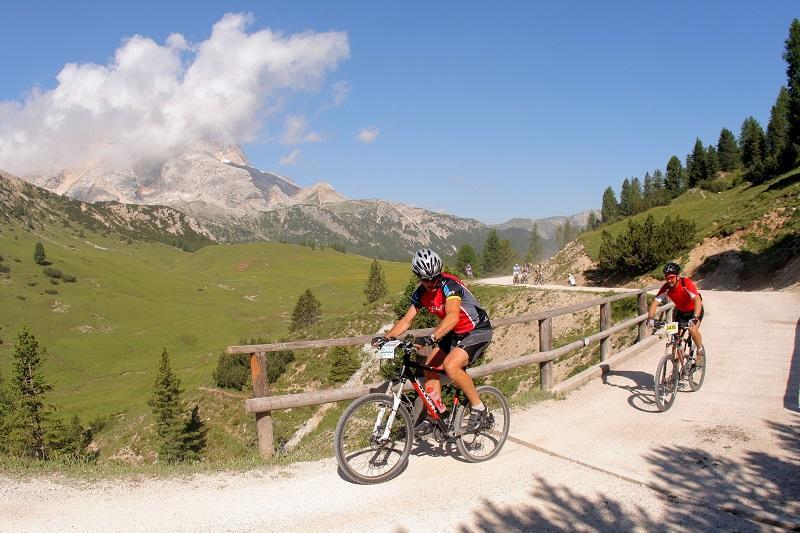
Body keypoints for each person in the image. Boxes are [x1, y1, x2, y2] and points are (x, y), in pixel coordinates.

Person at [373, 249, 493, 431]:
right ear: (418, 277)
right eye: (425, 279)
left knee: (451, 366)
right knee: (429, 368)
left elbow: (452, 316)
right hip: (455, 334)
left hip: (477, 330)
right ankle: (434, 416)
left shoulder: (449, 285)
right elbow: (407, 320)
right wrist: (386, 337)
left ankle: (479, 408)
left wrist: (433, 337)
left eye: (434, 278)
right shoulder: (420, 293)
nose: (431, 283)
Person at [646, 262, 705, 367]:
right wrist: (650, 318)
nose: (669, 280)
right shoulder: (666, 288)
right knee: (675, 339)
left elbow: (697, 300)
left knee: (692, 329)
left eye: (672, 277)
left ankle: (700, 351)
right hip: (681, 313)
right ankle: (675, 372)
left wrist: (695, 317)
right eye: (667, 278)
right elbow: (655, 302)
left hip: (694, 311)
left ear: (677, 276)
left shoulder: (685, 283)